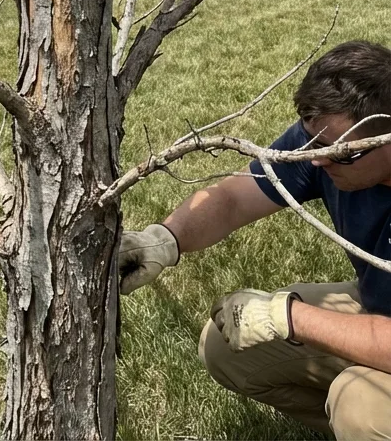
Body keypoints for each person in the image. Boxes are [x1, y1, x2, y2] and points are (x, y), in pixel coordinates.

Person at [119, 41, 391, 441]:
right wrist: (163, 240)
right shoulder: (325, 143)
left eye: (340, 152)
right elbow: (233, 199)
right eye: (314, 143)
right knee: (227, 347)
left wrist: (288, 317)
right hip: (379, 308)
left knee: (360, 406)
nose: (318, 160)